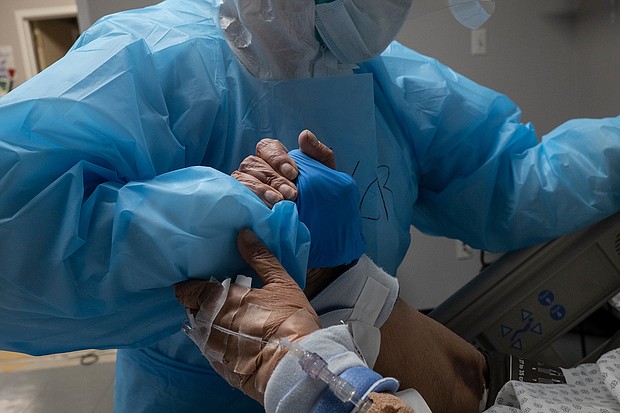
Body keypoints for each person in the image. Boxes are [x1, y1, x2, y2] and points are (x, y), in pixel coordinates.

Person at [0, 0, 618, 411]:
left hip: (360, 377)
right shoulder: (157, 55)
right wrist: (241, 222)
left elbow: (509, 180)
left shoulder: (391, 80)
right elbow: (19, 231)